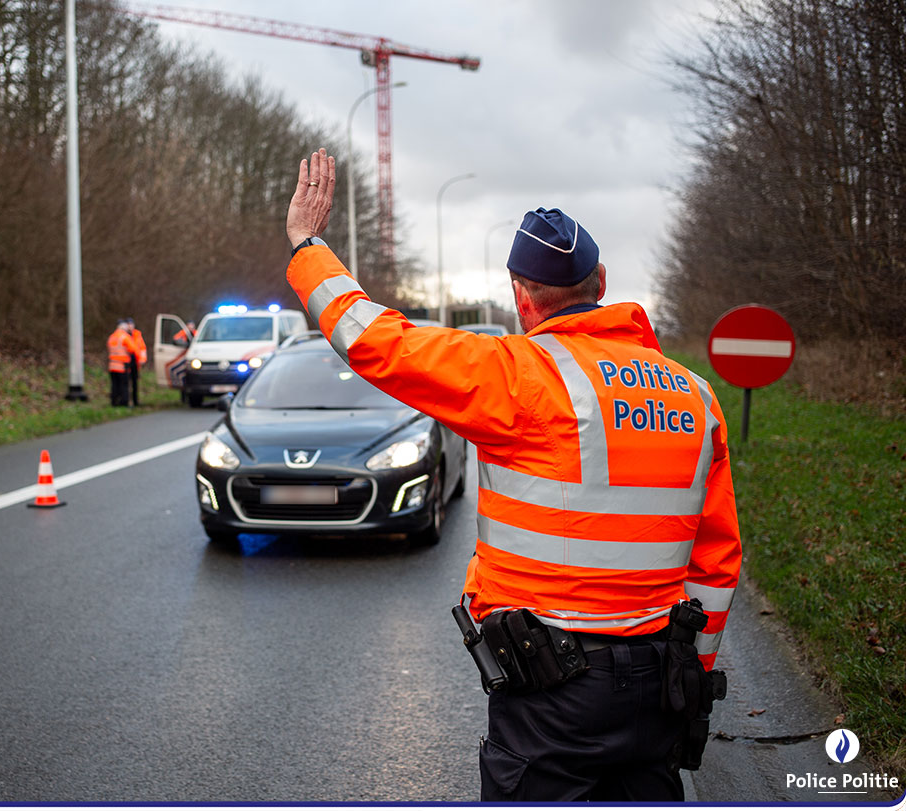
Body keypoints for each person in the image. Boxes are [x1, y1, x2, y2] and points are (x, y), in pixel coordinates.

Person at [283, 149, 741, 802]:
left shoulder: (516, 375)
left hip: (553, 688)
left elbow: (374, 340)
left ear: (522, 297)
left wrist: (308, 247)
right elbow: (717, 562)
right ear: (601, 281)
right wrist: (690, 671)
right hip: (659, 681)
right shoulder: (695, 395)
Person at [107, 319, 137, 406]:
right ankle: (124, 402)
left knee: (114, 385)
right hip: (122, 365)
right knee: (124, 385)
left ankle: (114, 402)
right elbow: (133, 349)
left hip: (112, 365)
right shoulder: (125, 337)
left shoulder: (112, 336)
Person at [127, 318, 148, 407]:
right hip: (126, 361)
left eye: (131, 324)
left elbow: (142, 348)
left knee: (135, 382)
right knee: (126, 383)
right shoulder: (124, 334)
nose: (130, 326)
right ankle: (128, 401)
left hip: (135, 362)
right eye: (128, 324)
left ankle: (135, 401)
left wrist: (142, 359)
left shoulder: (137, 335)